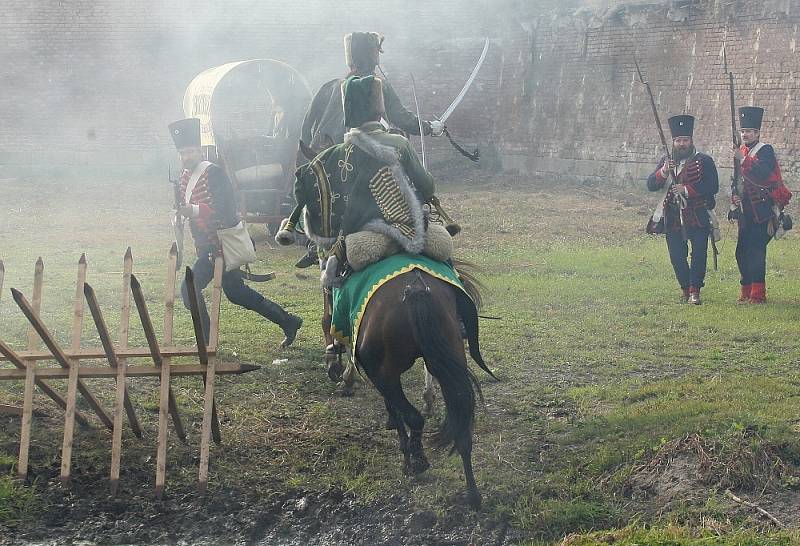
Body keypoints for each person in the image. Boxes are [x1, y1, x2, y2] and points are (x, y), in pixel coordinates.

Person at [295, 31, 444, 269]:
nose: (379, 57)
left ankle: (319, 247)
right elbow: (401, 118)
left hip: (329, 162)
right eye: (377, 52)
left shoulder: (331, 86)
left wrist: (314, 154)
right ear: (372, 56)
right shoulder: (375, 85)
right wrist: (429, 128)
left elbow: (306, 123)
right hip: (364, 156)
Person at [169, 118, 302, 347]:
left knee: (188, 289)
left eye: (189, 152)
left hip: (219, 245)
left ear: (199, 151)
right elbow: (187, 209)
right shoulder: (183, 177)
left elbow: (226, 211)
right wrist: (181, 214)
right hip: (206, 245)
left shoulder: (214, 174)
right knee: (236, 293)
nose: (185, 157)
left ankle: (207, 339)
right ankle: (288, 321)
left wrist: (195, 210)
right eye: (182, 153)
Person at [646, 114, 719, 305]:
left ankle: (695, 291)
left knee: (699, 253)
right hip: (672, 216)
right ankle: (685, 289)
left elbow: (713, 186)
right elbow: (651, 185)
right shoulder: (666, 161)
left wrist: (686, 190)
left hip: (697, 214)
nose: (681, 144)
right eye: (678, 140)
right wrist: (663, 172)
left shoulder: (704, 160)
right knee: (677, 256)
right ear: (673, 142)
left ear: (691, 140)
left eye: (685, 140)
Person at [730, 106, 792, 304]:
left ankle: (758, 294)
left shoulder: (765, 150)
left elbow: (763, 173)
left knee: (756, 250)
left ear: (757, 133)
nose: (745, 134)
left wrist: (743, 159)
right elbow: (737, 181)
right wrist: (735, 196)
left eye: (749, 131)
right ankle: (746, 289)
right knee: (741, 252)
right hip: (746, 211)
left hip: (763, 209)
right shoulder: (743, 151)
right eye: (743, 131)